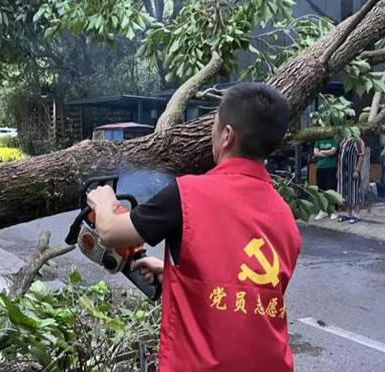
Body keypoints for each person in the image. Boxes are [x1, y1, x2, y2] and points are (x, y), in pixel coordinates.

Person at [86, 83, 301, 372]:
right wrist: (177, 276)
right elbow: (251, 287)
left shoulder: (187, 194)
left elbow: (110, 232)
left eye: (213, 125)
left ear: (227, 136)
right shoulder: (284, 215)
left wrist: (103, 201)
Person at [337, 136, 366, 223]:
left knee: (354, 191)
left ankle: (356, 214)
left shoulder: (357, 140)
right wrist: (338, 170)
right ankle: (347, 213)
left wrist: (357, 170)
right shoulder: (343, 141)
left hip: (352, 170)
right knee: (345, 192)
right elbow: (340, 157)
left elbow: (361, 155)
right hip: (343, 171)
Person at [313, 137, 339, 220]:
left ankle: (333, 210)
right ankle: (322, 210)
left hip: (331, 166)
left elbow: (333, 151)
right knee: (321, 189)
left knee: (331, 189)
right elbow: (315, 152)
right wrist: (327, 153)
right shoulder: (319, 139)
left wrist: (322, 152)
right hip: (320, 166)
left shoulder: (335, 139)